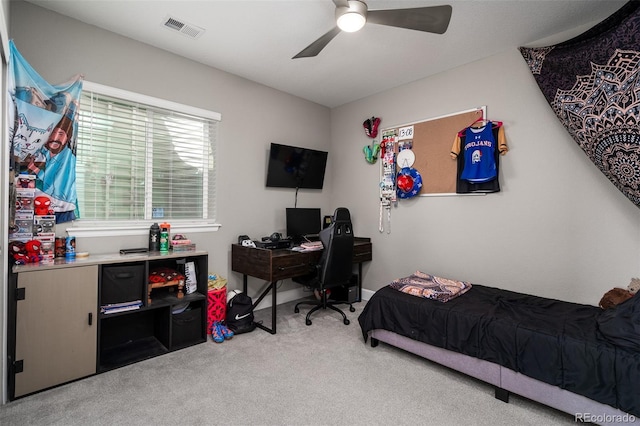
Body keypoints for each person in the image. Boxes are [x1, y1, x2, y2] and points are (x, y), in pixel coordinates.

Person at [26, 115, 77, 220]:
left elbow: (54, 184)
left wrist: (34, 170)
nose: (55, 138)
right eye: (52, 133)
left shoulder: (68, 159)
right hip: (34, 206)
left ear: (68, 138)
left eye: (60, 134)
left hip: (60, 209)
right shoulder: (44, 152)